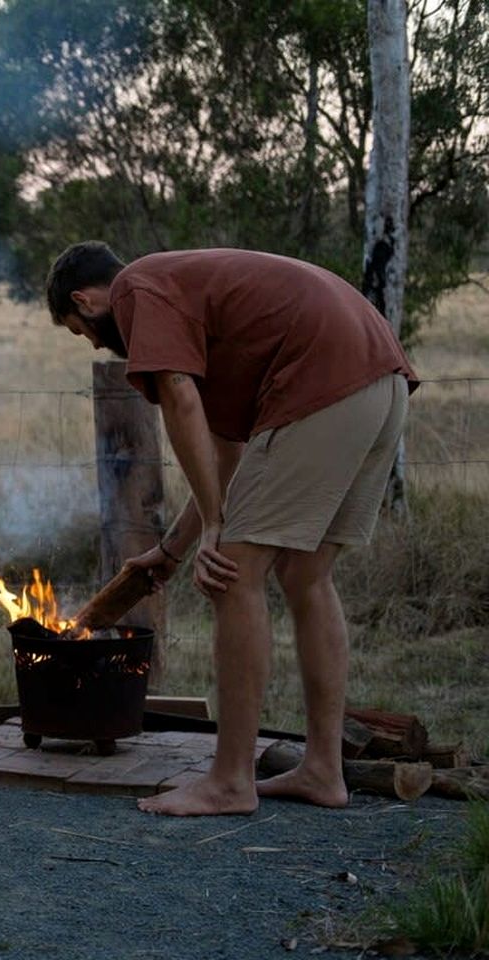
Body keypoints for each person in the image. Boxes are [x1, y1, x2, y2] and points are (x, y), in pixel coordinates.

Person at [44, 243, 416, 817]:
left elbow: (180, 401)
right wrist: (172, 550)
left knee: (231, 574)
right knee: (305, 574)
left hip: (324, 380)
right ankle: (323, 770)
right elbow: (227, 454)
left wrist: (218, 528)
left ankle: (230, 782)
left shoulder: (135, 290)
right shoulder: (187, 299)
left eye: (78, 331)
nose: (93, 343)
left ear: (84, 299)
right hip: (378, 381)